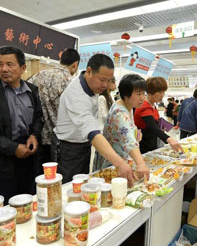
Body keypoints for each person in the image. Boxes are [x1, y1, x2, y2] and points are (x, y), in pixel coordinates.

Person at [54, 54, 138, 185]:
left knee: (83, 185)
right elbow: (92, 132)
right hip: (68, 149)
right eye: (102, 79)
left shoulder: (91, 85)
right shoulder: (76, 95)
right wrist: (120, 163)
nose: (105, 85)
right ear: (89, 71)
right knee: (69, 187)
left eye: (109, 80)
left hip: (84, 145)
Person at [0, 46, 43, 203]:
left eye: (10, 64)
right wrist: (13, 148)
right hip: (0, 161)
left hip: (28, 157)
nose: (3, 69)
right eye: (0, 64)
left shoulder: (32, 90)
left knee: (27, 202)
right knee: (3, 207)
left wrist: (34, 135)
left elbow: (38, 117)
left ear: (23, 68)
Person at [29, 49, 80, 174]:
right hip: (59, 141)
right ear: (75, 65)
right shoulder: (71, 82)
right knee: (55, 176)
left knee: (38, 175)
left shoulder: (38, 75)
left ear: (60, 61)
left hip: (35, 137)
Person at [93, 74, 150, 179]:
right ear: (126, 95)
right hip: (114, 164)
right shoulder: (119, 112)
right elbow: (129, 141)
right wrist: (141, 163)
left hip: (121, 160)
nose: (142, 98)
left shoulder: (128, 106)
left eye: (143, 93)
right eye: (138, 94)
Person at [134, 77, 183, 153]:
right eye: (160, 92)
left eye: (163, 92)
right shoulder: (144, 106)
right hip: (143, 145)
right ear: (150, 92)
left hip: (152, 142)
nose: (162, 95)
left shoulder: (152, 104)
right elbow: (152, 127)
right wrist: (169, 139)